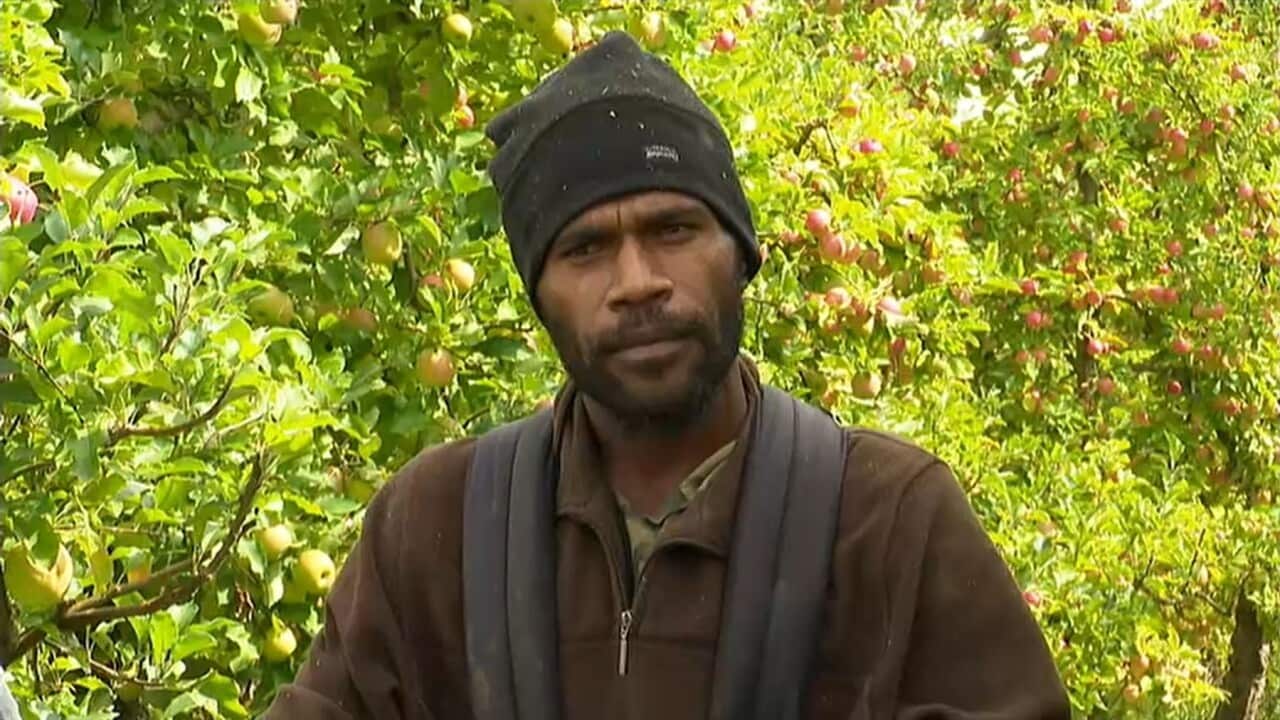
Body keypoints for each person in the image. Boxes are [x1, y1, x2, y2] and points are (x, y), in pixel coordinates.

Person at [265, 31, 1070, 720]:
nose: (637, 281)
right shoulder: (434, 528)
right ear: (541, 297)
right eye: (584, 249)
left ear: (742, 257)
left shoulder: (889, 520)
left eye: (674, 229)